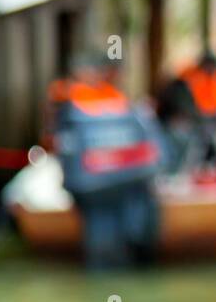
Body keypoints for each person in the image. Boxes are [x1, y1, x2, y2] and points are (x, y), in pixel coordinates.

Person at [48, 54, 163, 270]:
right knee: (111, 238)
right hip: (112, 181)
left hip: (115, 181)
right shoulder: (68, 97)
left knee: (118, 233)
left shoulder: (112, 98)